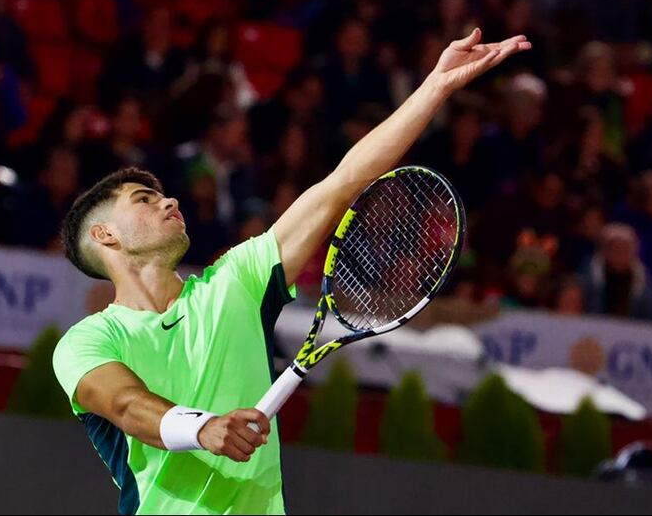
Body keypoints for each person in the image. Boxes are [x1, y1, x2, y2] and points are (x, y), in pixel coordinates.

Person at [52, 28, 530, 514]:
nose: (169, 200)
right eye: (144, 200)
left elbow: (341, 183)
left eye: (161, 194)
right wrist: (202, 427)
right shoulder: (86, 342)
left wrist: (436, 88)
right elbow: (125, 404)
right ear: (104, 236)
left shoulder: (235, 281)